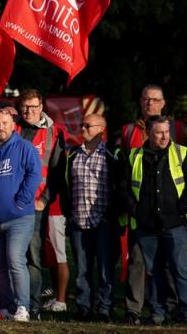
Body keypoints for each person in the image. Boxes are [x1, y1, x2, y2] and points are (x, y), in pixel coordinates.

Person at [122, 115, 187, 326]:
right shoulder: (135, 156)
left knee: (180, 269)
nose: (165, 136)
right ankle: (157, 313)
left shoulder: (181, 153)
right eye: (159, 132)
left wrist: (184, 206)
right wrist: (135, 209)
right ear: (148, 133)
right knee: (153, 270)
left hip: (174, 223)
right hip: (147, 224)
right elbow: (123, 186)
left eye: (167, 132)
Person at [0, 107, 42, 322]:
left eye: (4, 123)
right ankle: (7, 306)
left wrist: (21, 202)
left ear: (13, 126)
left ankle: (23, 306)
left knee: (15, 260)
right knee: (1, 265)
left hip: (19, 219)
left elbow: (34, 174)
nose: (0, 127)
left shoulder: (25, 148)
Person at [14, 89, 67, 317]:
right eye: (25, 106)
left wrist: (45, 199)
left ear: (41, 106)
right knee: (11, 256)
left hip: (35, 204)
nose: (29, 111)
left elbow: (57, 172)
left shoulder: (54, 133)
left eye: (34, 106)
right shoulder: (12, 126)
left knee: (33, 256)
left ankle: (33, 306)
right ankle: (15, 304)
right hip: (9, 204)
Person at [119, 84, 169, 324]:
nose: (150, 104)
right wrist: (132, 206)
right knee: (137, 260)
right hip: (139, 210)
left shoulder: (173, 129)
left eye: (155, 100)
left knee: (167, 261)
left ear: (163, 103)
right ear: (140, 102)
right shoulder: (128, 131)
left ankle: (167, 306)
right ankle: (134, 309)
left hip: (167, 210)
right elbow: (124, 173)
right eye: (146, 100)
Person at [67, 113, 118, 321]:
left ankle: (105, 308)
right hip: (78, 220)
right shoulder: (73, 154)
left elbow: (119, 185)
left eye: (88, 126)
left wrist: (114, 213)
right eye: (82, 125)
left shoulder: (111, 154)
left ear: (101, 130)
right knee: (82, 268)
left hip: (104, 220)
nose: (83, 129)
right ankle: (84, 307)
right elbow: (66, 184)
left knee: (105, 269)